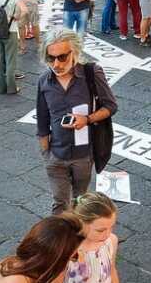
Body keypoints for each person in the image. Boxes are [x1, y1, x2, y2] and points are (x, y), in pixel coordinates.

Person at [35, 29, 118, 214]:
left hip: (83, 155)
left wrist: (87, 119)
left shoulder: (91, 73)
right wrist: (46, 154)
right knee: (59, 204)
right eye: (50, 58)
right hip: (56, 155)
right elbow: (42, 119)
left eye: (62, 57)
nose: (56, 64)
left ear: (75, 52)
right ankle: (61, 233)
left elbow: (111, 106)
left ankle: (78, 228)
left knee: (79, 201)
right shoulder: (44, 81)